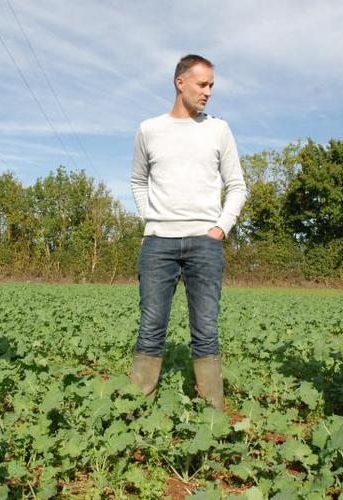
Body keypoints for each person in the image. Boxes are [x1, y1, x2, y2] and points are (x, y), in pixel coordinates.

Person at [129, 54, 247, 410]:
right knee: (151, 326)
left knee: (206, 329)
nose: (208, 92)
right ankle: (135, 408)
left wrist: (220, 229)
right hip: (157, 244)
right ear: (180, 82)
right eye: (202, 84)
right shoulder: (149, 129)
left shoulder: (218, 130)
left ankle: (212, 411)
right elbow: (137, 180)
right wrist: (150, 219)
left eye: (211, 85)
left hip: (205, 244)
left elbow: (237, 185)